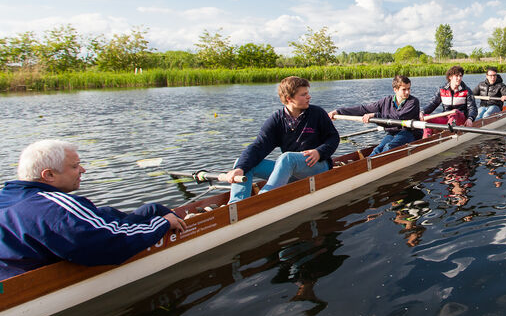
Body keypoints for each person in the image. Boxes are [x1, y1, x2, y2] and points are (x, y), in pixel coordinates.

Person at [0, 140, 186, 279]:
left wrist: (148, 212)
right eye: (74, 166)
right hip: (23, 288)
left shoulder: (7, 197)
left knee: (135, 211)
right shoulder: (54, 206)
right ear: (49, 175)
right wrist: (162, 223)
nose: (82, 170)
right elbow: (112, 244)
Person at [226, 76, 340, 204]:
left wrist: (319, 152)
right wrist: (240, 167)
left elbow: (333, 138)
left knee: (287, 158)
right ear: (289, 99)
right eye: (303, 94)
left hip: (318, 166)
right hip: (289, 170)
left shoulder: (317, 113)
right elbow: (258, 146)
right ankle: (235, 205)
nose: (309, 97)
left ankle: (263, 201)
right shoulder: (276, 120)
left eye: (307, 93)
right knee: (244, 163)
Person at [329, 75, 421, 155]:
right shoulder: (386, 101)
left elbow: (398, 117)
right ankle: (365, 167)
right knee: (377, 149)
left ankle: (373, 166)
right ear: (395, 90)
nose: (407, 92)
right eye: (404, 89)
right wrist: (338, 111)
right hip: (393, 132)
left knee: (389, 147)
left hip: (410, 133)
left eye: (409, 89)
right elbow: (364, 109)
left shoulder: (413, 102)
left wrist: (375, 115)